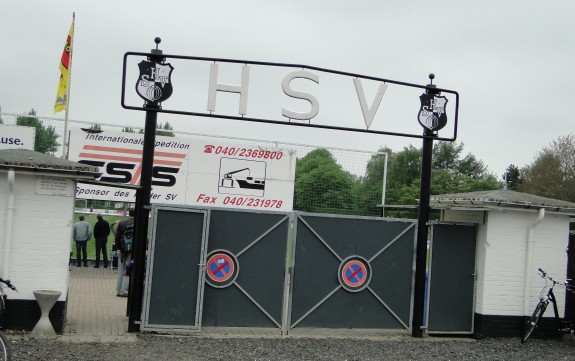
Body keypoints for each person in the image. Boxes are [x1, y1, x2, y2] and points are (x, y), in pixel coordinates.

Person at [115, 208, 135, 297]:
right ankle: (124, 291)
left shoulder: (122, 223)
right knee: (128, 270)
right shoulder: (138, 223)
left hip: (121, 249)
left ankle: (118, 290)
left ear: (128, 213)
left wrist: (119, 248)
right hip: (131, 251)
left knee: (120, 271)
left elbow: (117, 237)